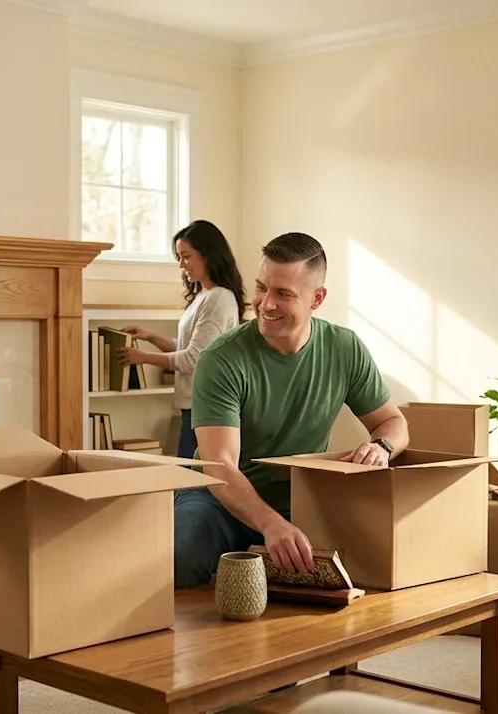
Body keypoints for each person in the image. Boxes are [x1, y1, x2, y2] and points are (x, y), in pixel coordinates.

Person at [174, 231, 409, 588]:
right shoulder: (221, 359)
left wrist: (382, 447)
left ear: (317, 298)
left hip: (302, 502)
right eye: (261, 288)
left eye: (283, 293)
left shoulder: (344, 349)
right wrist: (271, 525)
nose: (265, 304)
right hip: (217, 500)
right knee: (180, 556)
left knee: (374, 560)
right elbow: (220, 467)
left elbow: (393, 422)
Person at [116, 220, 246, 460]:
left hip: (206, 407)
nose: (181, 264)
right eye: (179, 256)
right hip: (194, 406)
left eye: (186, 256)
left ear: (208, 255)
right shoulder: (204, 296)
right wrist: (151, 336)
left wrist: (143, 358)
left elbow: (195, 358)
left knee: (191, 483)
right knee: (190, 480)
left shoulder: (217, 299)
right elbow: (189, 347)